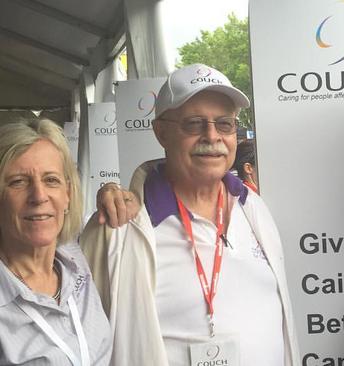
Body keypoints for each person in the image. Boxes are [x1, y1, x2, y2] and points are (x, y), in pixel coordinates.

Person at [80, 63, 299, 366]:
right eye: (194, 124)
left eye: (225, 124)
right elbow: (83, 343)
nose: (212, 136)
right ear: (161, 132)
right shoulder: (118, 227)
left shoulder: (253, 209)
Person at [0, 118, 112, 365]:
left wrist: (118, 193)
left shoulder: (75, 258)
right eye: (18, 182)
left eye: (51, 180)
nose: (39, 196)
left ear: (68, 194)